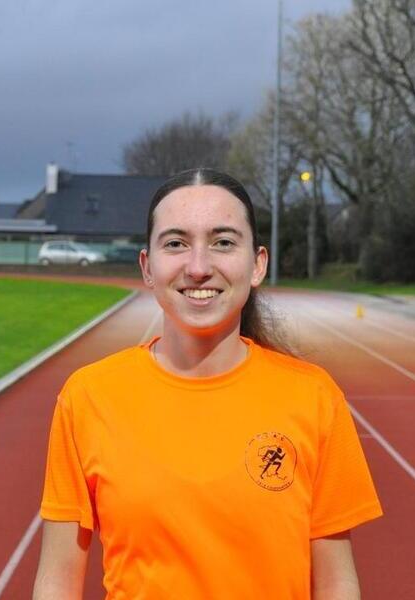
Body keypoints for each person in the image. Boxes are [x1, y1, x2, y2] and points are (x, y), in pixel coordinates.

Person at [33, 168, 383, 599]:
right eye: (176, 243)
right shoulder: (88, 397)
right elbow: (57, 583)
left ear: (257, 265)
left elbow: (336, 582)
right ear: (147, 266)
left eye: (222, 242)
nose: (198, 267)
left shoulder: (314, 397)